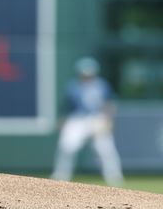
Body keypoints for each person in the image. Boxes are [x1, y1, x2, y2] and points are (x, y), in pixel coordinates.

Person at [51, 57, 124, 186]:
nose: (87, 76)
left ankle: (114, 177)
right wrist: (63, 119)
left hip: (97, 118)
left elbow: (109, 103)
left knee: (105, 149)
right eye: (84, 74)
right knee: (67, 147)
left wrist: (108, 119)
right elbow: (67, 106)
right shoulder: (73, 86)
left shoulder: (102, 85)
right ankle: (61, 175)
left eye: (89, 74)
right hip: (78, 119)